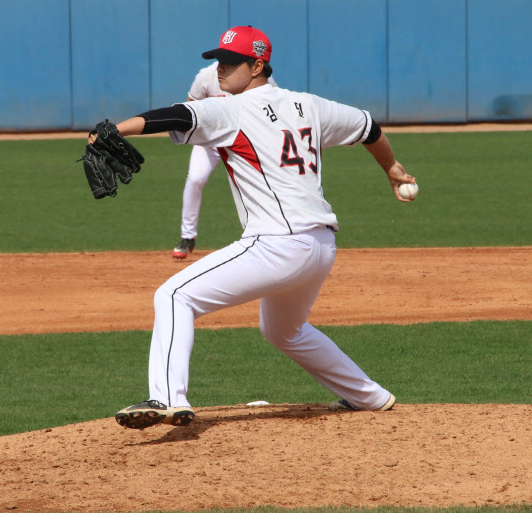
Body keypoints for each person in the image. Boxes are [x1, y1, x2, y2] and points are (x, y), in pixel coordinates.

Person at [92, 26, 417, 430]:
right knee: (284, 331)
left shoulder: (233, 109)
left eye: (231, 61)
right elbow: (369, 127)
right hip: (320, 246)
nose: (220, 68)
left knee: (174, 295)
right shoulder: (308, 104)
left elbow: (177, 115)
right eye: (218, 60)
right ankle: (369, 396)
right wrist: (392, 167)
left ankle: (168, 398)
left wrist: (115, 130)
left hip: (278, 246)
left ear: (258, 65)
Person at [172, 63, 277, 260]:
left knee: (260, 182)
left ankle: (267, 234)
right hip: (211, 140)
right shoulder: (206, 76)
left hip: (246, 140)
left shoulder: (260, 76)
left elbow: (276, 107)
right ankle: (187, 237)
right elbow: (189, 107)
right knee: (195, 179)